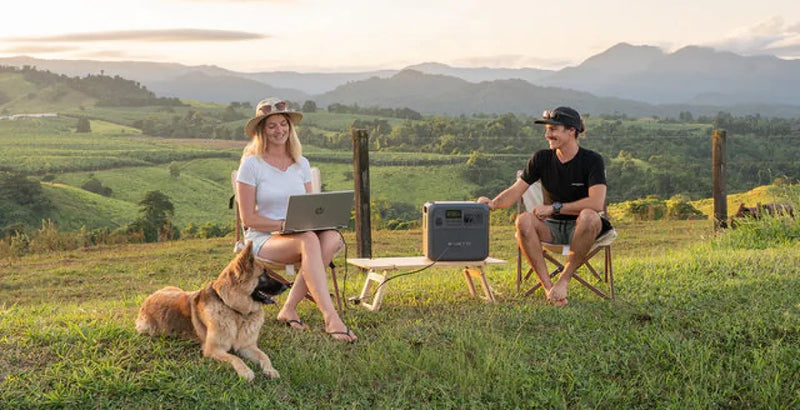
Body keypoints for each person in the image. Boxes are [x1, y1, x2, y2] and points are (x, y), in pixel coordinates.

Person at [236, 98, 356, 342]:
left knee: (331, 238)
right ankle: (331, 318)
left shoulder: (301, 164)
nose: (279, 130)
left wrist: (319, 221)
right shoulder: (251, 165)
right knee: (308, 240)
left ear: (290, 128)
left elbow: (311, 207)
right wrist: (284, 226)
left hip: (299, 232)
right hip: (265, 237)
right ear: (262, 131)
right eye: (272, 126)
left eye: (283, 124)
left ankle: (288, 308)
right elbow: (248, 218)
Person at [477, 106, 612, 306]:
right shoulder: (541, 159)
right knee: (523, 220)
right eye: (547, 130)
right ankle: (550, 288)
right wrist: (493, 204)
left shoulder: (592, 160)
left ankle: (564, 280)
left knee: (589, 215)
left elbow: (596, 203)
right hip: (552, 228)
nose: (547, 135)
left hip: (584, 229)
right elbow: (517, 189)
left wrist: (553, 208)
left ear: (571, 131)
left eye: (553, 130)